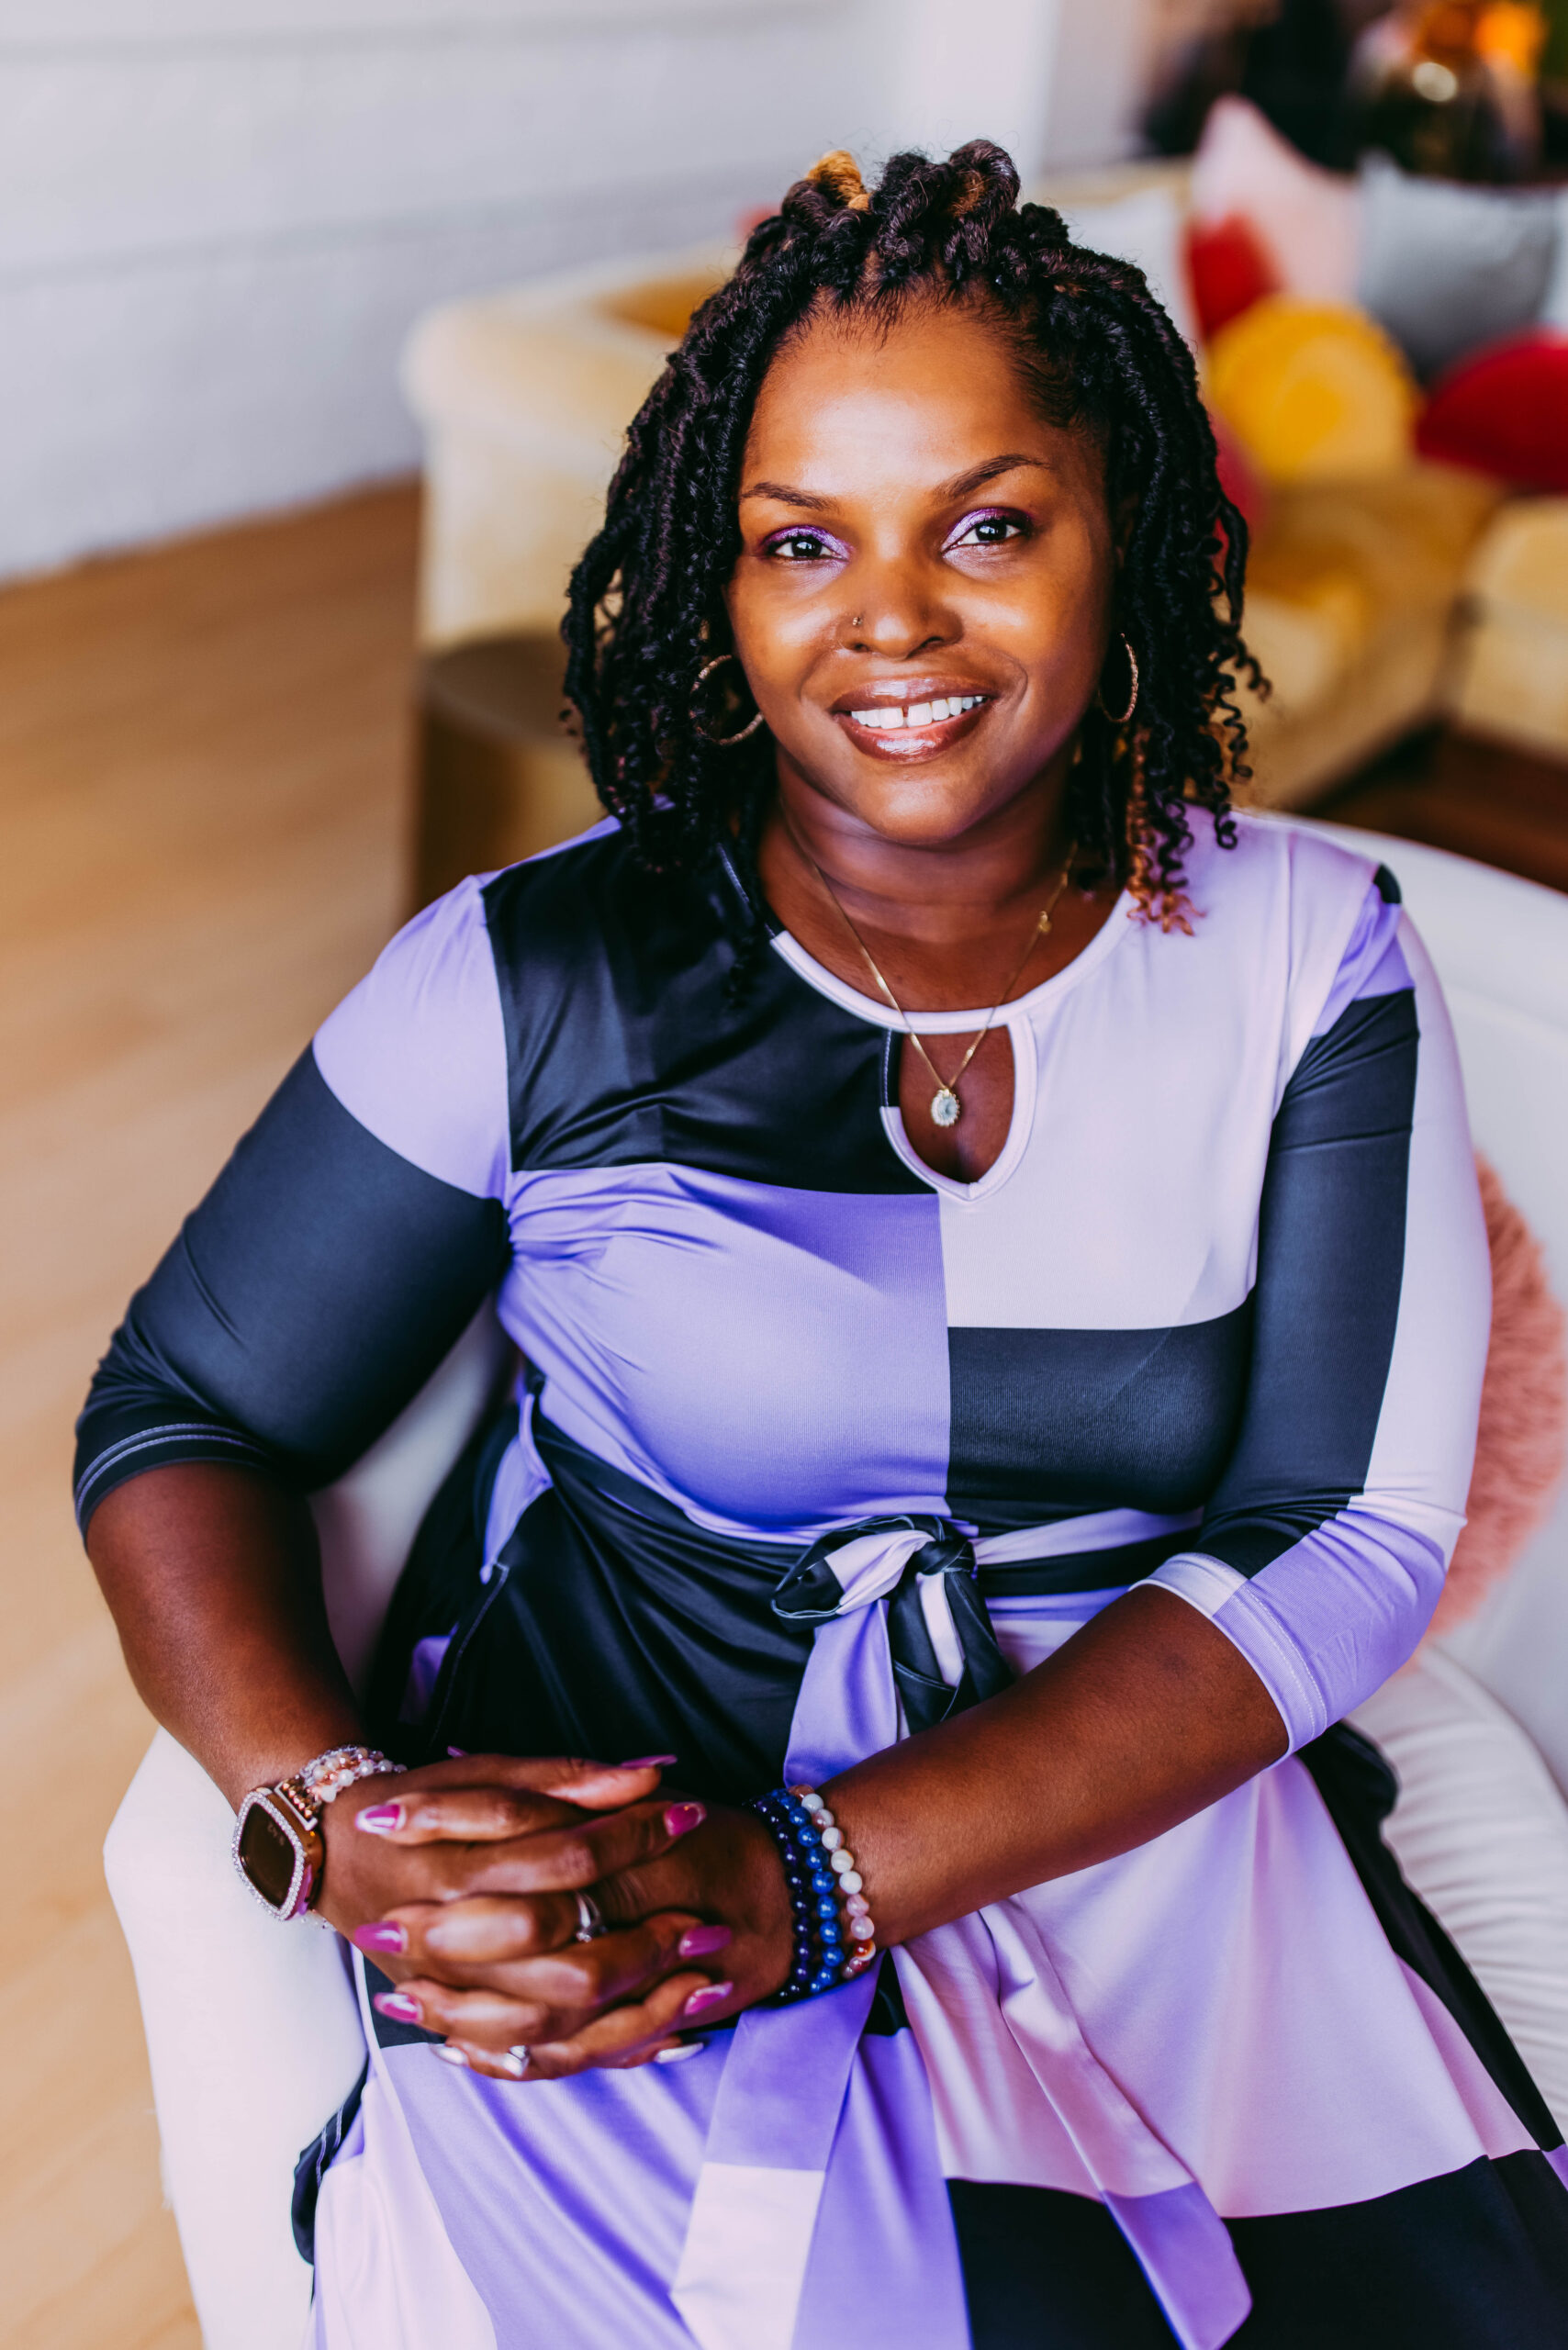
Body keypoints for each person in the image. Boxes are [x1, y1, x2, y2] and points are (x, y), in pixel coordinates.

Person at [78, 143, 1568, 2349]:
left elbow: (1339, 1528)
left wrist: (830, 1875)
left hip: (1123, 1793)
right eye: (800, 539)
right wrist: (331, 1800)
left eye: (984, 521)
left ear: (1119, 536)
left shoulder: (1303, 958)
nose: (886, 617)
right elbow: (185, 1408)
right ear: (722, 571)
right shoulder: (536, 969)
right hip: (630, 1839)